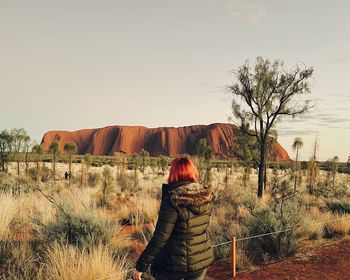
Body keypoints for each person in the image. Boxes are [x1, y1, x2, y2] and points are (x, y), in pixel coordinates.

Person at [133, 157, 214, 280]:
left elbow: (161, 237)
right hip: (199, 262)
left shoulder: (173, 198)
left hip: (173, 265)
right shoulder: (204, 196)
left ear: (174, 173)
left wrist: (141, 266)